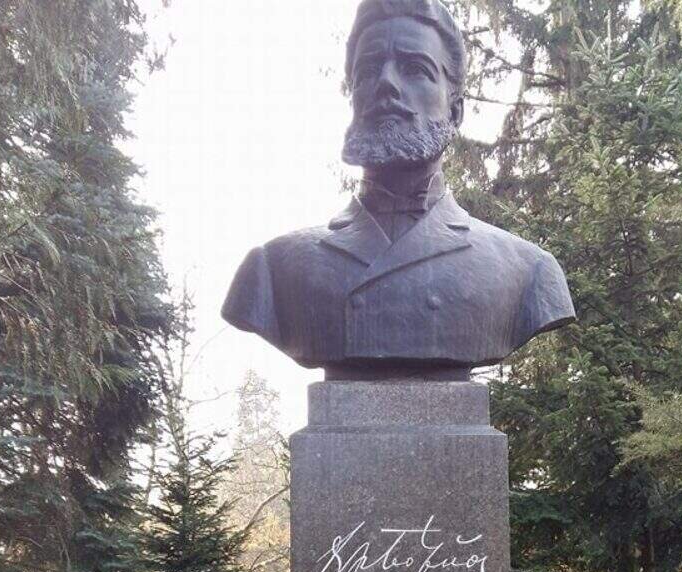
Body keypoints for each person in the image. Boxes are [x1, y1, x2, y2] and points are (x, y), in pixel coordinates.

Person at [222, 0, 574, 377]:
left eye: (415, 69)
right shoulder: (274, 270)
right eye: (368, 70)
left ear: (455, 110)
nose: (386, 83)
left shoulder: (527, 273)